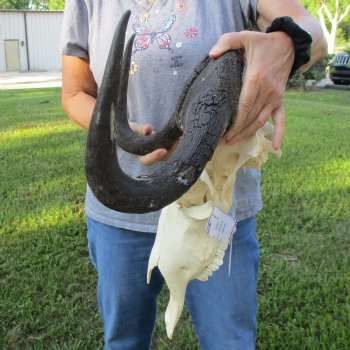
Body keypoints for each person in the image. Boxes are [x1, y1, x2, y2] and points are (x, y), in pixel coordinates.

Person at [60, 1, 326, 349]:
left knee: (229, 342)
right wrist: (126, 131)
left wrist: (287, 45)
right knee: (124, 341)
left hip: (216, 210)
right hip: (118, 221)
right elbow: (75, 92)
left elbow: (315, 34)